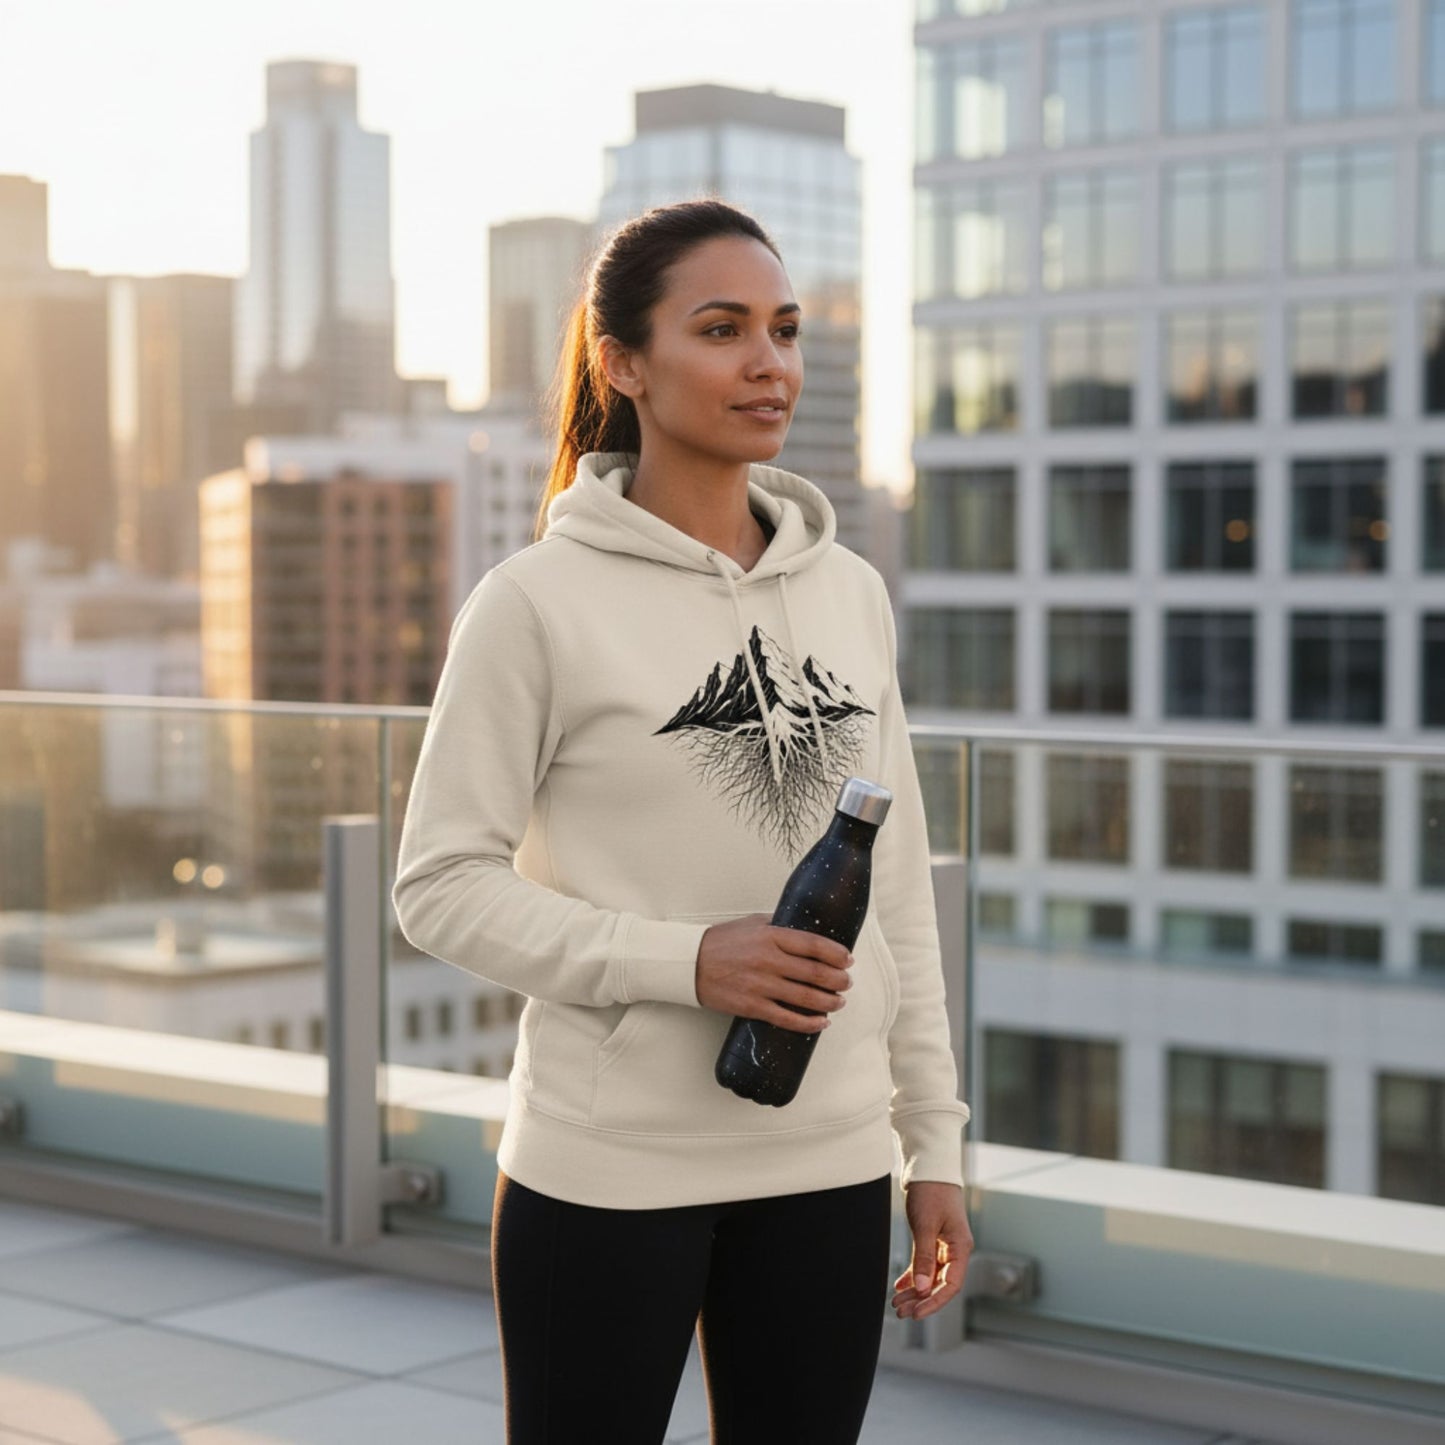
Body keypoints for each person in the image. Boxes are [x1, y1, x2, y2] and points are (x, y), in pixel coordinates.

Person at [391, 198, 973, 1444]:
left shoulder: (849, 588)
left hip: (828, 1159)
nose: (768, 363)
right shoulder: (532, 604)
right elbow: (437, 883)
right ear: (624, 362)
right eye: (720, 329)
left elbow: (901, 898)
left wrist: (932, 1142)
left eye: (783, 327)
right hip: (609, 1168)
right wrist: (686, 960)